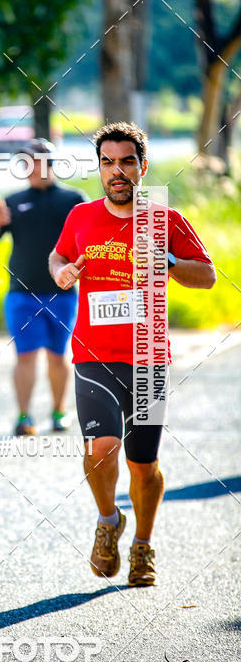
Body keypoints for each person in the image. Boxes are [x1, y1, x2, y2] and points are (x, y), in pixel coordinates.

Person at [49, 122, 216, 586]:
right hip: (93, 354)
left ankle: (143, 544)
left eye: (125, 162)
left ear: (142, 167)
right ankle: (108, 522)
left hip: (148, 358)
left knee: (143, 465)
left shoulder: (166, 220)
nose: (116, 171)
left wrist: (168, 263)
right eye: (107, 162)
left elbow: (206, 276)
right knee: (100, 450)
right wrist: (63, 273)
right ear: (99, 169)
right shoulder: (80, 217)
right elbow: (58, 257)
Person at [0, 139, 86, 435]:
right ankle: (24, 417)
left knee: (57, 355)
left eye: (35, 161)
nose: (29, 168)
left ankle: (58, 412)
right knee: (25, 356)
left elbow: (87, 240)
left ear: (51, 163)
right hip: (21, 294)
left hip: (62, 294)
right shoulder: (13, 200)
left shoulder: (73, 199)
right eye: (24, 162)